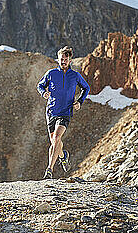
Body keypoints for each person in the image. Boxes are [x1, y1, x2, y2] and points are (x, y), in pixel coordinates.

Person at [37, 46, 90, 179]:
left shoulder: (75, 75)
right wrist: (44, 92)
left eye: (66, 59)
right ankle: (63, 156)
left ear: (70, 60)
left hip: (65, 111)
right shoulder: (51, 74)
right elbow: (40, 85)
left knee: (56, 138)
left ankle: (49, 169)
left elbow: (86, 88)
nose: (63, 61)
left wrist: (79, 102)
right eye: (61, 59)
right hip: (51, 111)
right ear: (58, 60)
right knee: (54, 142)